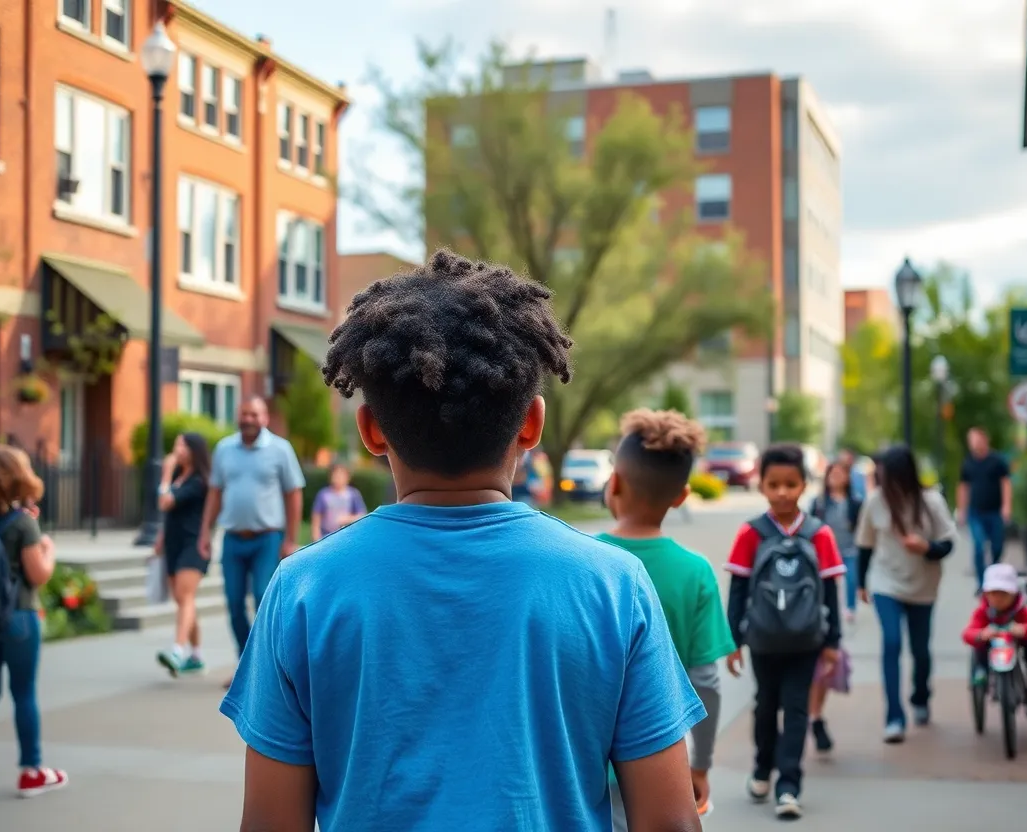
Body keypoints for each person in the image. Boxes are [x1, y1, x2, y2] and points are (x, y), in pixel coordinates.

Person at [219, 250, 706, 832]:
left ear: (371, 429)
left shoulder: (302, 589)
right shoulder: (614, 585)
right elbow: (670, 823)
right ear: (532, 423)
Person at [598, 409, 735, 828]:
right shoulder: (696, 572)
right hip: (659, 762)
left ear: (614, 481)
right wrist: (700, 764)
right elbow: (706, 681)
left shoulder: (583, 562)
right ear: (681, 495)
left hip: (583, 758)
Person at [725, 443, 845, 820]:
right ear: (761, 485)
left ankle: (788, 785)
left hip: (806, 640)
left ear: (803, 485)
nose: (782, 492)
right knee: (765, 707)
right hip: (762, 639)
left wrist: (833, 641)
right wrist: (733, 640)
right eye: (773, 483)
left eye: (790, 484)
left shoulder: (819, 533)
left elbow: (830, 590)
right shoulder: (751, 533)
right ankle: (763, 767)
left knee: (796, 710)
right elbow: (739, 589)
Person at [0, 448, 67, 800]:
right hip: (18, 617)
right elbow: (38, 575)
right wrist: (47, 547)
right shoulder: (22, 523)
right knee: (23, 693)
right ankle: (32, 771)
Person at [198, 396, 305, 686]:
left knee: (261, 597)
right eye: (244, 414)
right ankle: (247, 667)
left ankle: (269, 668)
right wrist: (205, 532)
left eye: (254, 414)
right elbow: (216, 492)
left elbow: (293, 494)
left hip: (267, 539)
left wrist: (291, 539)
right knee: (233, 604)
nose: (248, 419)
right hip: (232, 539)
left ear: (265, 418)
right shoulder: (224, 449)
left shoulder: (280, 450)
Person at [855, 445, 957, 744]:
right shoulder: (875, 502)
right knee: (891, 642)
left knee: (920, 650)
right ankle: (894, 718)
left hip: (924, 585)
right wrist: (861, 583)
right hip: (886, 582)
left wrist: (927, 547)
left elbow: (949, 543)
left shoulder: (931, 501)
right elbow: (865, 545)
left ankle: (921, 696)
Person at [807, 460, 862, 754]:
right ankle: (808, 716)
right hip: (807, 593)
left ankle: (814, 716)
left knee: (826, 662)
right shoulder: (817, 506)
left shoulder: (855, 503)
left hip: (844, 560)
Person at [154, 433, 212, 676]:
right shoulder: (181, 476)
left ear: (194, 450)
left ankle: (177, 651)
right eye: (176, 444)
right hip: (173, 545)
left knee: (184, 595)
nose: (176, 449)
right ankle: (196, 654)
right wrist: (161, 538)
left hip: (194, 544)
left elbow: (165, 503)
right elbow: (170, 514)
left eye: (182, 445)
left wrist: (166, 473)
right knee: (184, 600)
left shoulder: (198, 481)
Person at [961, 563, 1027, 708]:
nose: (998, 598)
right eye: (994, 593)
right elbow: (967, 633)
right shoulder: (983, 612)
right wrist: (982, 634)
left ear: (1014, 593)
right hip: (991, 642)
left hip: (1019, 640)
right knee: (980, 646)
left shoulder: (1022, 610)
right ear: (986, 594)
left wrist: (1024, 630)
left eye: (1004, 593)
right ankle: (982, 671)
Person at [957, 427, 1012, 592]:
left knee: (997, 546)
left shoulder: (996, 461)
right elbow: (963, 486)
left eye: (976, 440)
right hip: (975, 512)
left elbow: (1005, 483)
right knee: (979, 546)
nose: (974, 444)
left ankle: (995, 577)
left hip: (994, 511)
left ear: (984, 440)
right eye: (971, 440)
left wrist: (1006, 505)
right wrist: (961, 509)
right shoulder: (968, 463)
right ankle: (982, 584)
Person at [310, 463, 367, 541]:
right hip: (325, 535)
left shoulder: (353, 494)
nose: (338, 478)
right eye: (336, 475)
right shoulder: (323, 494)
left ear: (348, 477)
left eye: (341, 475)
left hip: (346, 536)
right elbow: (316, 516)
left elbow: (362, 515)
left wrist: (348, 518)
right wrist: (316, 537)